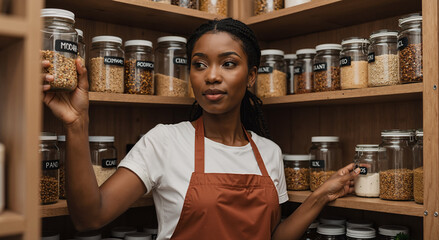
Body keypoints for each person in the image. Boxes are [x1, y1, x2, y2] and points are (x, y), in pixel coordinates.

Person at [42, 18, 360, 240]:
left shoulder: (268, 152)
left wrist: (320, 196)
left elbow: (272, 237)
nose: (211, 76)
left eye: (229, 63)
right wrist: (76, 124)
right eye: (199, 64)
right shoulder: (164, 141)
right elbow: (89, 217)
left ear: (251, 76)